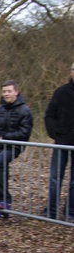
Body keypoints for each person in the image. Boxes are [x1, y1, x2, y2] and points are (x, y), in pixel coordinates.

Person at [0, 80, 33, 219]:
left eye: (9, 91)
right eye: (4, 91)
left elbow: (24, 133)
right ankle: (3, 208)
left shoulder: (25, 111)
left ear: (16, 92)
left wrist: (4, 137)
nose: (6, 94)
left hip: (14, 147)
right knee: (1, 172)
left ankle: (5, 200)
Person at [44, 62, 74, 220]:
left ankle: (70, 212)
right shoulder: (61, 93)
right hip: (62, 141)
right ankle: (51, 210)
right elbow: (49, 115)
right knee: (55, 178)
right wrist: (55, 133)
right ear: (71, 72)